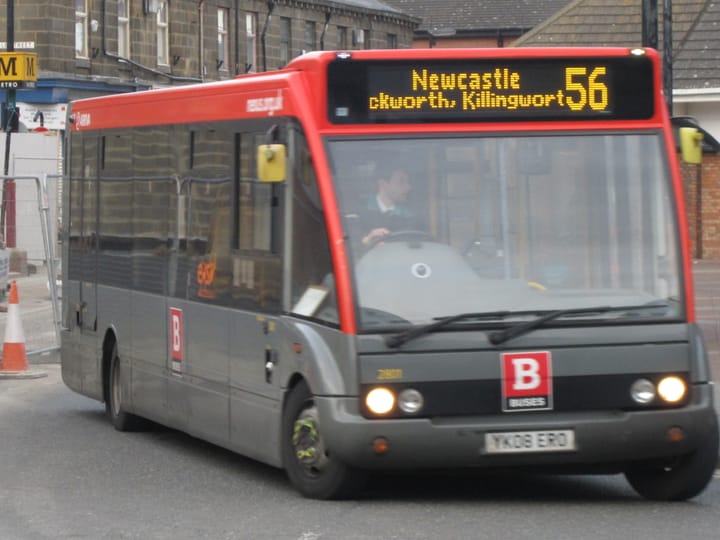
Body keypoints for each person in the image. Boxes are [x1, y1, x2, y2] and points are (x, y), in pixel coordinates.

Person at [358, 167, 415, 247]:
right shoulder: (360, 211)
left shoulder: (409, 215)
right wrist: (367, 240)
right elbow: (350, 246)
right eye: (401, 182)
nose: (408, 187)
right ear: (383, 184)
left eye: (407, 182)